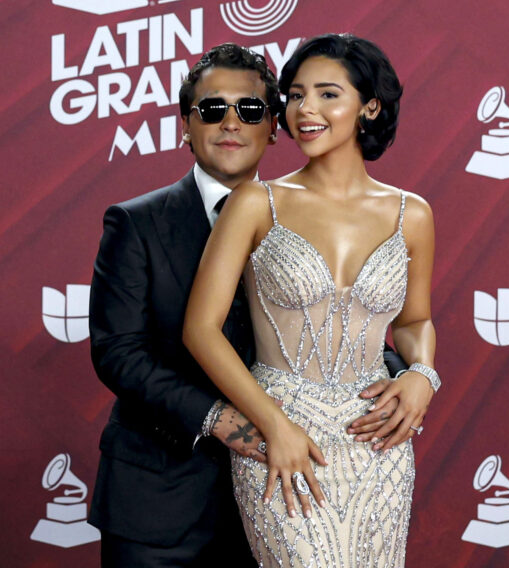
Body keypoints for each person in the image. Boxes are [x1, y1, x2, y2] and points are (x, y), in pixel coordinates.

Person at [88, 42, 406, 567]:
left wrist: (404, 375)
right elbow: (119, 354)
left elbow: (345, 325)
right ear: (186, 126)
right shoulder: (135, 223)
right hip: (160, 500)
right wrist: (222, 420)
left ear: (274, 127)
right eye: (213, 108)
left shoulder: (311, 214)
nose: (231, 123)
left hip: (284, 495)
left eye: (251, 109)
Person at [183, 34, 440, 567]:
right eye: (296, 96)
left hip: (378, 441)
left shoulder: (411, 214)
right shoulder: (256, 203)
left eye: (327, 95)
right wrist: (272, 425)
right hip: (282, 435)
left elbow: (415, 320)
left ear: (370, 107)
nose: (305, 110)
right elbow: (201, 330)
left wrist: (422, 373)